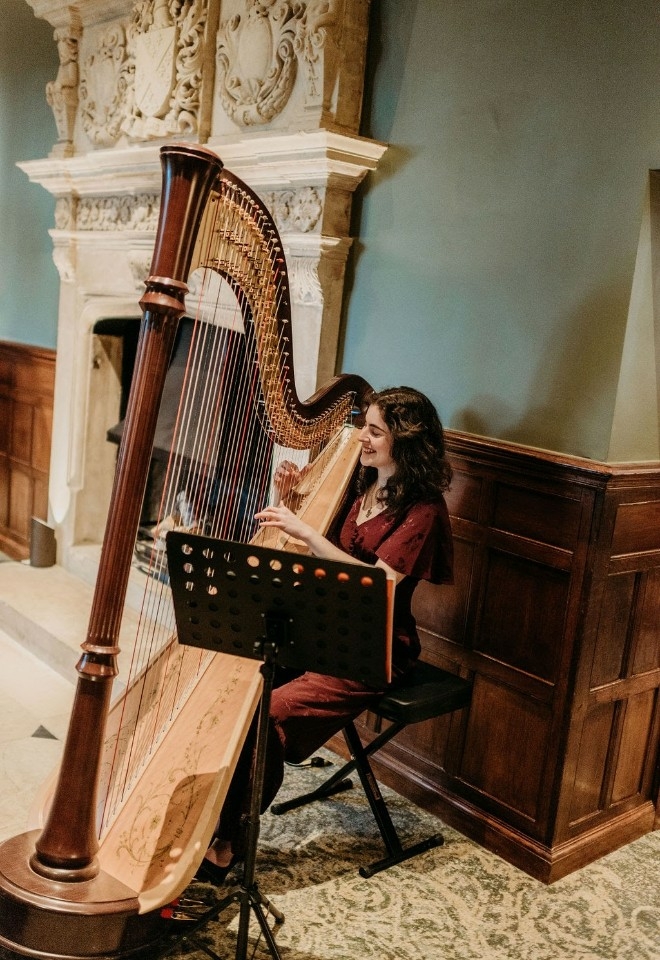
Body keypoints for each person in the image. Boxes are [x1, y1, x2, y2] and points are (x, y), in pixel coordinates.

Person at [198, 385, 454, 880]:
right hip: (317, 629)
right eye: (365, 426)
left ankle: (229, 842)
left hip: (371, 647)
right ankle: (211, 821)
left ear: (406, 440)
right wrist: (293, 500)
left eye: (375, 430)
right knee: (239, 686)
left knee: (268, 714)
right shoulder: (362, 486)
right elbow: (314, 539)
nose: (363, 437)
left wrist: (307, 532)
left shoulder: (424, 509)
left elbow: (378, 582)